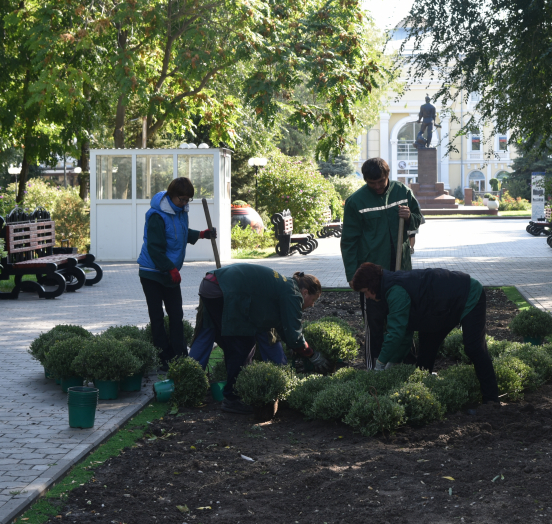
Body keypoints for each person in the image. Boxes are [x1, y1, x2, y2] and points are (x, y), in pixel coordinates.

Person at [351, 262, 499, 403]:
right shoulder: (389, 288)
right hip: (438, 311)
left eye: (365, 292)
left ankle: (491, 400)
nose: (367, 297)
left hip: (468, 295)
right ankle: (423, 399)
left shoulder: (395, 291)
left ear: (372, 286)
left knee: (474, 348)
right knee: (425, 356)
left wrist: (380, 364)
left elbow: (395, 333)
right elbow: (404, 336)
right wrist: (392, 364)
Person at [196, 263, 332, 414]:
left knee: (237, 344)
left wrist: (298, 348)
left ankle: (232, 393)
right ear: (305, 292)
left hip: (213, 284)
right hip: (223, 289)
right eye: (314, 300)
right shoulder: (293, 294)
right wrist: (311, 354)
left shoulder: (286, 286)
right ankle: (232, 399)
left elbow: (283, 327)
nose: (312, 305)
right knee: (242, 345)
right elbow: (294, 334)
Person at [341, 157, 425, 369]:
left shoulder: (402, 192)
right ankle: (373, 368)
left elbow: (418, 218)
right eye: (372, 183)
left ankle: (406, 366)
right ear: (365, 180)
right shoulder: (356, 202)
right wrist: (353, 275)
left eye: (381, 181)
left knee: (405, 319)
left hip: (401, 271)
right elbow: (349, 242)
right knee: (375, 322)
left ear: (388, 175)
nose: (378, 187)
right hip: (373, 277)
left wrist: (409, 218)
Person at [137, 177, 216, 371]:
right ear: (171, 195)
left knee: (176, 314)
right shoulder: (156, 215)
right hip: (152, 272)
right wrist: (170, 268)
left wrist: (201, 234)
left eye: (188, 199)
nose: (185, 203)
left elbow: (180, 233)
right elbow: (155, 248)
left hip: (170, 272)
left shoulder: (181, 212)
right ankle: (163, 357)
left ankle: (180, 355)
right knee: (157, 316)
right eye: (182, 198)